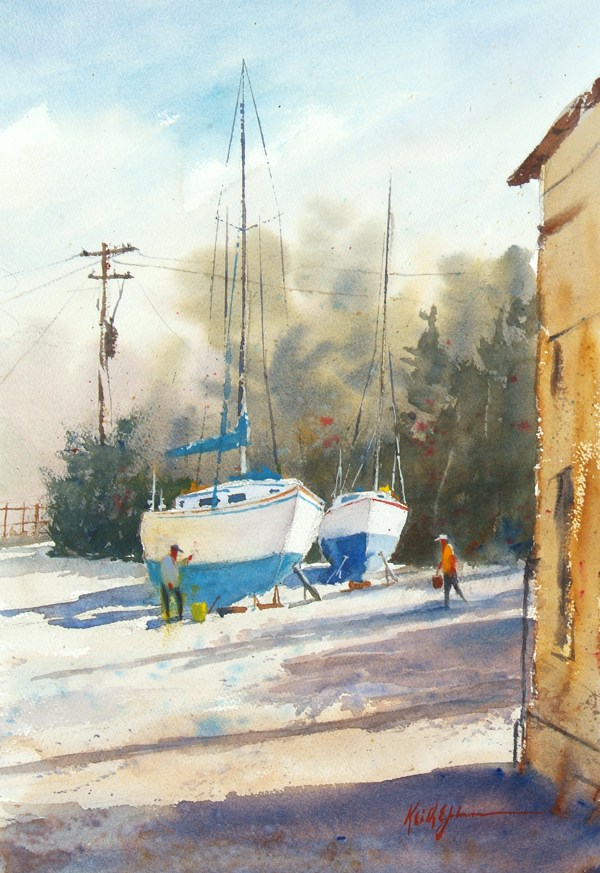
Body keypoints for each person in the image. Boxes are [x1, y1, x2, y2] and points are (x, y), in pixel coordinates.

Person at [160, 544, 192, 621]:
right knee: (167, 601)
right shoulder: (167, 559)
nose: (176, 553)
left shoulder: (174, 560)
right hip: (167, 584)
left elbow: (179, 565)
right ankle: (168, 616)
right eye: (175, 551)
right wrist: (168, 582)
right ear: (172, 551)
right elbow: (164, 572)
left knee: (179, 600)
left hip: (175, 584)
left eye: (177, 551)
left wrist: (187, 560)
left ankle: (180, 616)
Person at [435, 534, 467, 608]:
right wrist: (438, 569)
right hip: (446, 573)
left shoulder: (448, 547)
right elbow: (443, 561)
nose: (440, 542)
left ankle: (465, 601)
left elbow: (453, 558)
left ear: (443, 540)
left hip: (451, 572)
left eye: (440, 540)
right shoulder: (443, 549)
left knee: (456, 588)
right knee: (446, 590)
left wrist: (452, 570)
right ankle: (446, 605)